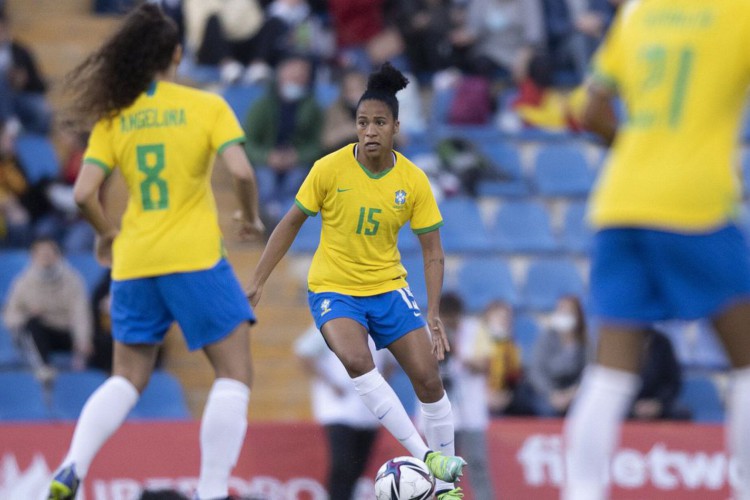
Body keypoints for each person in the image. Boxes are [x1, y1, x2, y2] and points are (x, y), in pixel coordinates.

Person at [46, 5, 264, 500]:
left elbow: (83, 194)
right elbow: (244, 173)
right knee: (234, 372)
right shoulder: (207, 105)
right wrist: (250, 217)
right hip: (194, 257)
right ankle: (211, 492)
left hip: (135, 260)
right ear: (177, 54)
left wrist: (106, 234)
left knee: (127, 376)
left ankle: (71, 466)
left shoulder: (116, 116)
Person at [247, 62, 466, 500]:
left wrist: (434, 312)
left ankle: (444, 488)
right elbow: (290, 224)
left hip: (387, 287)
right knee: (355, 359)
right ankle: (426, 458)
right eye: (362, 122)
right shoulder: (329, 169)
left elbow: (432, 250)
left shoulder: (413, 180)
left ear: (396, 128)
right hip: (334, 288)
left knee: (429, 381)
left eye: (379, 123)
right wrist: (256, 282)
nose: (369, 131)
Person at [562, 2, 750, 499]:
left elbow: (588, 110)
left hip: (619, 201)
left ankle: (581, 492)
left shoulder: (638, 12)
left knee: (609, 372)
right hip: (695, 204)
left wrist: (638, 154)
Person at [294, 323, 385, 500]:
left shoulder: (378, 324)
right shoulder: (331, 322)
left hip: (369, 411)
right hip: (338, 409)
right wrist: (330, 383)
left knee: (358, 468)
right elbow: (303, 354)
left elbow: (390, 361)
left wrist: (380, 387)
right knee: (342, 466)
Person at [243, 54, 324, 227]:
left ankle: (286, 219)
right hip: (267, 161)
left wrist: (297, 156)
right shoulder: (262, 106)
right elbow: (247, 142)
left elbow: (317, 144)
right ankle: (266, 218)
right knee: (266, 178)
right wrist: (267, 157)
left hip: (296, 162)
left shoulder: (312, 108)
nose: (297, 78)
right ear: (281, 73)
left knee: (298, 178)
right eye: (293, 73)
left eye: (302, 75)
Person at [2, 237, 93, 381]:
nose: (45, 256)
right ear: (33, 257)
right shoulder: (23, 282)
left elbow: (80, 313)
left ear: (57, 255)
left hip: (66, 332)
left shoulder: (72, 279)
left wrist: (82, 339)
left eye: (49, 252)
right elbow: (10, 315)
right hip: (41, 334)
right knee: (32, 325)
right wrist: (27, 314)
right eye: (41, 253)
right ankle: (44, 369)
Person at [437, 292, 496, 500]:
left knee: (477, 463)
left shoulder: (475, 329)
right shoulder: (428, 332)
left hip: (470, 410)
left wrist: (458, 352)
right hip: (441, 413)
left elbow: (486, 365)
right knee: (443, 470)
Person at [528, 295, 587, 417]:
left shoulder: (586, 341)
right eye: (560, 310)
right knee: (546, 408)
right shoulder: (547, 337)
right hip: (549, 391)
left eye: (568, 311)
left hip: (575, 392)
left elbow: (588, 372)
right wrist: (552, 394)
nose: (563, 314)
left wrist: (572, 393)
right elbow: (537, 372)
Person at [629, 327, 685, 421]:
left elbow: (672, 381)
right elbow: (614, 379)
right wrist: (634, 404)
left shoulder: (662, 342)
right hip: (627, 403)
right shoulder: (620, 342)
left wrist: (658, 403)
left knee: (681, 413)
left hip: (657, 402)